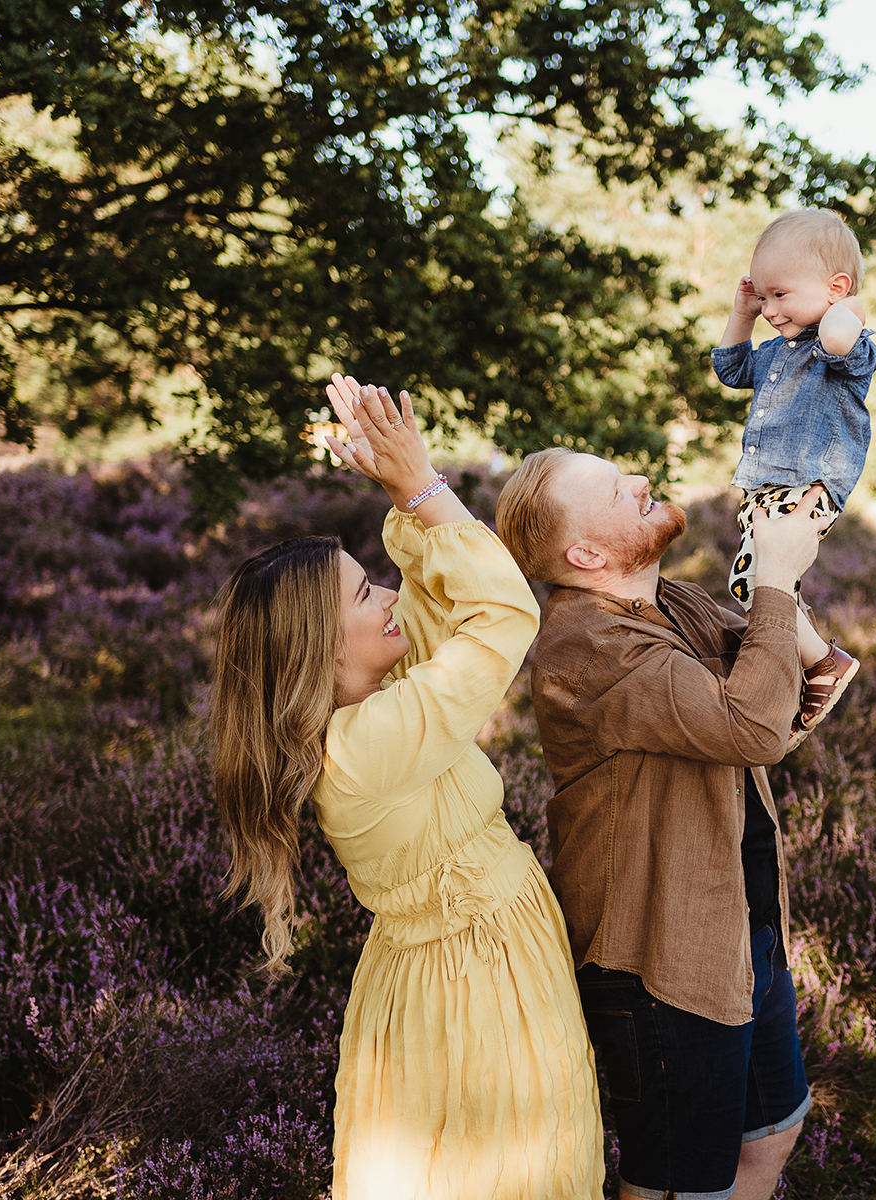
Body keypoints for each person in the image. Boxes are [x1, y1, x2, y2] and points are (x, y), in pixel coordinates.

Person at [210, 377, 602, 1199]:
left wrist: (403, 490)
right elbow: (500, 615)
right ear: (320, 649)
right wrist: (422, 488)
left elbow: (438, 600)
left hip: (482, 958)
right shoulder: (363, 750)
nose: (385, 594)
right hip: (471, 987)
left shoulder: (376, 705)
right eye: (363, 593)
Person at [495, 447, 831, 1200]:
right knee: (673, 1182)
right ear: (584, 552)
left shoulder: (671, 603)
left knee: (774, 1129)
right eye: (617, 491)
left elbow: (794, 692)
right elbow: (753, 725)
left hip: (742, 922)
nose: (641, 481)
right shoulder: (586, 646)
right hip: (660, 955)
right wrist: (775, 586)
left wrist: (781, 570)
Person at [714, 206, 876, 730]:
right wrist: (742, 312)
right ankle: (805, 664)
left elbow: (835, 338)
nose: (768, 309)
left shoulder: (849, 347)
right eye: (762, 296)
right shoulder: (773, 352)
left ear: (835, 288)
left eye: (779, 295)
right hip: (765, 486)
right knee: (763, 586)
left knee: (754, 583)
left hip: (806, 484)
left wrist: (846, 304)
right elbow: (729, 367)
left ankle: (825, 665)